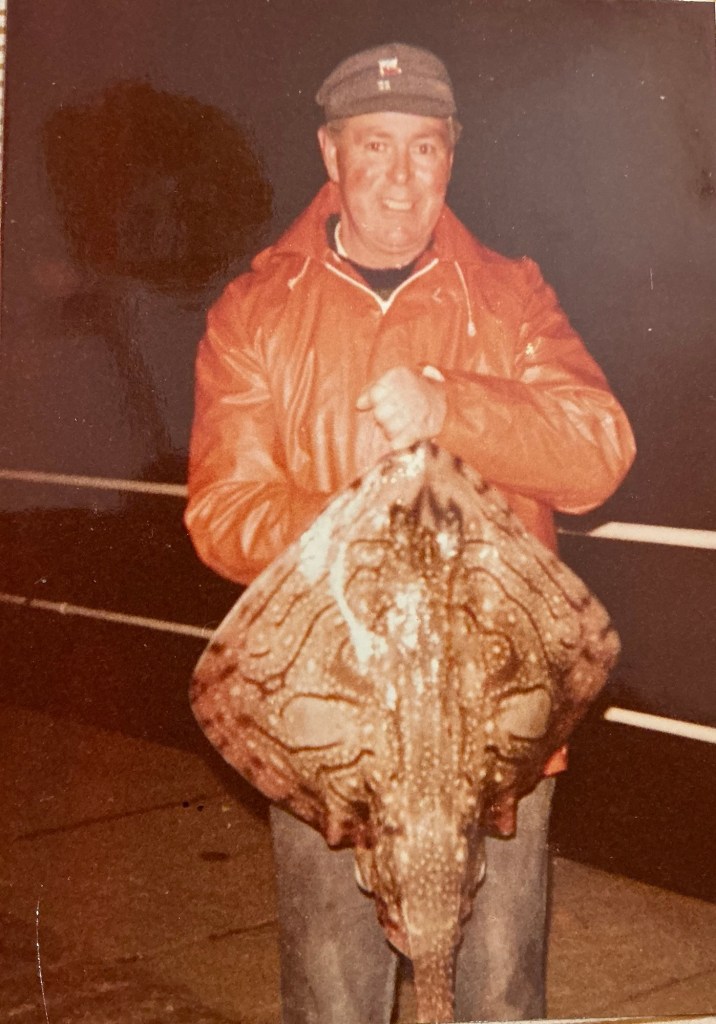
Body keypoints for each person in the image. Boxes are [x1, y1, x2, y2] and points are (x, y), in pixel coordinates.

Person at [185, 42, 636, 1024]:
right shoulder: (255, 312)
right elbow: (221, 512)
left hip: (496, 735)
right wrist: (354, 524)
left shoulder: (510, 294)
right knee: (332, 1004)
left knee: (497, 1001)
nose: (399, 176)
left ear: (450, 155)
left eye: (423, 147)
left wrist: (449, 407)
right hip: (331, 733)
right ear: (330, 153)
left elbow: (598, 449)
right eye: (374, 145)